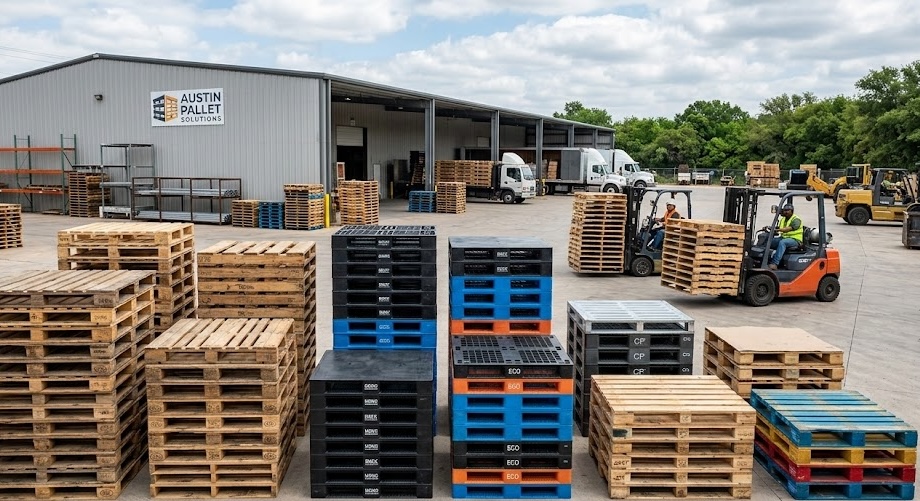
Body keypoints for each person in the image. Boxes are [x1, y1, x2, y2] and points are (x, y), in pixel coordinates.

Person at [768, 204, 803, 270]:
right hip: (785, 238)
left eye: (788, 210)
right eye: (785, 210)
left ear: (792, 211)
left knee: (783, 243)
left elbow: (788, 229)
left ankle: (775, 263)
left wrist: (777, 230)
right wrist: (770, 228)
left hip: (795, 240)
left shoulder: (796, 219)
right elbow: (779, 228)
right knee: (770, 241)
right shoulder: (783, 219)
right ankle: (764, 259)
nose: (786, 212)